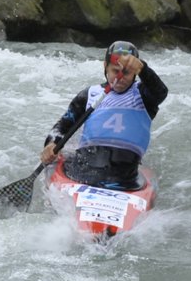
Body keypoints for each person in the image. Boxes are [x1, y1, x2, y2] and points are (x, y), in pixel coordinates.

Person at [38, 42, 167, 191]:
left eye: (126, 73)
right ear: (105, 66)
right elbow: (63, 125)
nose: (120, 78)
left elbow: (161, 91)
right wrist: (51, 144)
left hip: (124, 178)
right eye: (115, 71)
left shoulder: (144, 96)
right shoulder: (90, 95)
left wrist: (143, 69)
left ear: (135, 73)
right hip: (81, 172)